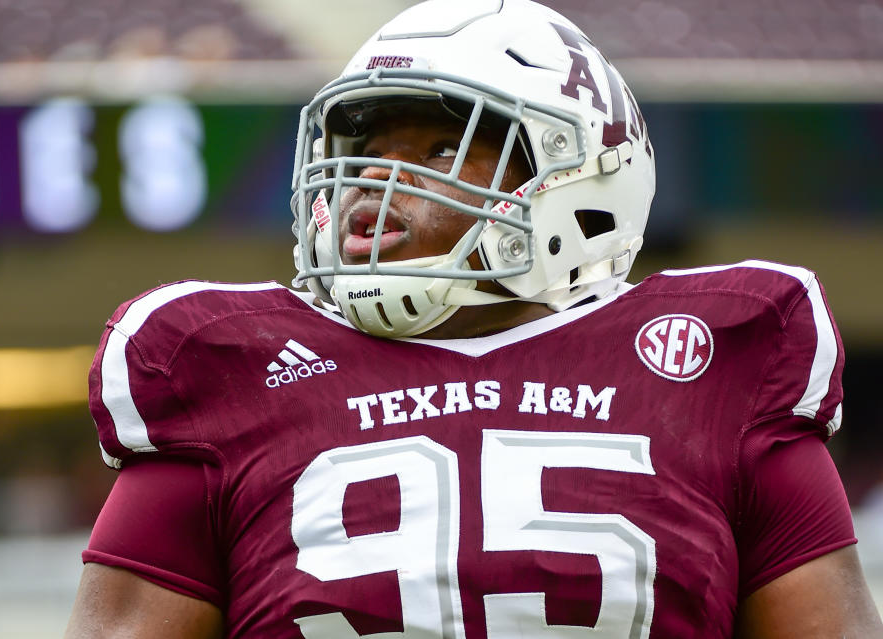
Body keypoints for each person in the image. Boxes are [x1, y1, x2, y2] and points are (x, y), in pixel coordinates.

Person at [65, 1, 883, 637]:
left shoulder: (719, 360)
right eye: (361, 154)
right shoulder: (223, 368)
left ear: (572, 170)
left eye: (430, 152)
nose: (369, 190)